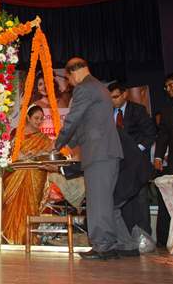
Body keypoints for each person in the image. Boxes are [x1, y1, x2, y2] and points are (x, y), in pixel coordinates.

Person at [54, 57, 136, 260]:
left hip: (99, 153)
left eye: (68, 78)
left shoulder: (84, 88)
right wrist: (71, 145)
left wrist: (57, 144)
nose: (70, 83)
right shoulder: (98, 87)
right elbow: (86, 123)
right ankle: (124, 244)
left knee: (97, 201)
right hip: (107, 152)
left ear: (73, 72)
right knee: (109, 202)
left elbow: (73, 119)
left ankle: (103, 246)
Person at [107, 82, 156, 235]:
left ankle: (144, 238)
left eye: (115, 97)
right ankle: (126, 238)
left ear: (125, 94)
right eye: (110, 98)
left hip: (136, 163)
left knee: (140, 200)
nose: (112, 101)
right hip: (117, 164)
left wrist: (135, 151)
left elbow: (150, 134)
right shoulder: (108, 113)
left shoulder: (138, 110)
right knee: (121, 201)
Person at [2, 104, 54, 244]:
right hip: (15, 176)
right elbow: (7, 153)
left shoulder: (43, 138)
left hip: (35, 178)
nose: (39, 121)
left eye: (41, 119)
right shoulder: (16, 134)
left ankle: (28, 239)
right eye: (36, 118)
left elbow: (49, 153)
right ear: (28, 118)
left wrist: (37, 153)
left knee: (31, 209)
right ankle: (10, 239)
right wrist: (21, 155)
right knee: (13, 207)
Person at [154, 71, 173, 247]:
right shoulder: (166, 109)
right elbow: (163, 135)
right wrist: (158, 156)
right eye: (167, 86)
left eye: (172, 85)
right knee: (172, 201)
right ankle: (167, 241)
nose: (169, 89)